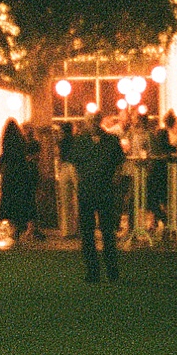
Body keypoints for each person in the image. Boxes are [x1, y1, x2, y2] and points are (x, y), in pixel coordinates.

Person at [61, 113, 125, 282]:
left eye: (95, 121)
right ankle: (94, 270)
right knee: (89, 233)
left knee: (107, 232)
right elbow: (74, 166)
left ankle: (110, 270)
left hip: (103, 190)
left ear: (100, 122)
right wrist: (78, 185)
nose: (93, 124)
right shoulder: (81, 141)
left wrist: (115, 180)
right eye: (91, 121)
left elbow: (119, 165)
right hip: (88, 191)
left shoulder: (110, 141)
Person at [0, 117, 39, 243]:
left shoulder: (6, 143)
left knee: (10, 201)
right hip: (22, 173)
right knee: (22, 201)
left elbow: (3, 157)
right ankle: (24, 228)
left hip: (9, 175)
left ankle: (14, 228)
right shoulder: (22, 142)